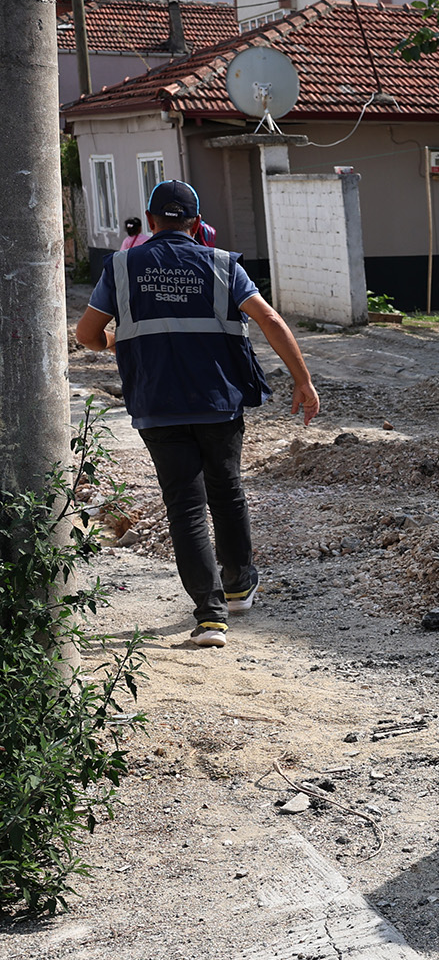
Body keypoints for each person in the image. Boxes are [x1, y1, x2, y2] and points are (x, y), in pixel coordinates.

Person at [74, 179, 321, 648]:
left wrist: (114, 340)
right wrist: (303, 381)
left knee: (184, 504)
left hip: (156, 403)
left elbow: (87, 334)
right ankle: (238, 587)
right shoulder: (223, 264)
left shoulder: (122, 265)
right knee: (226, 490)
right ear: (196, 223)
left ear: (150, 221)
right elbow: (270, 319)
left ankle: (209, 618)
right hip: (217, 401)